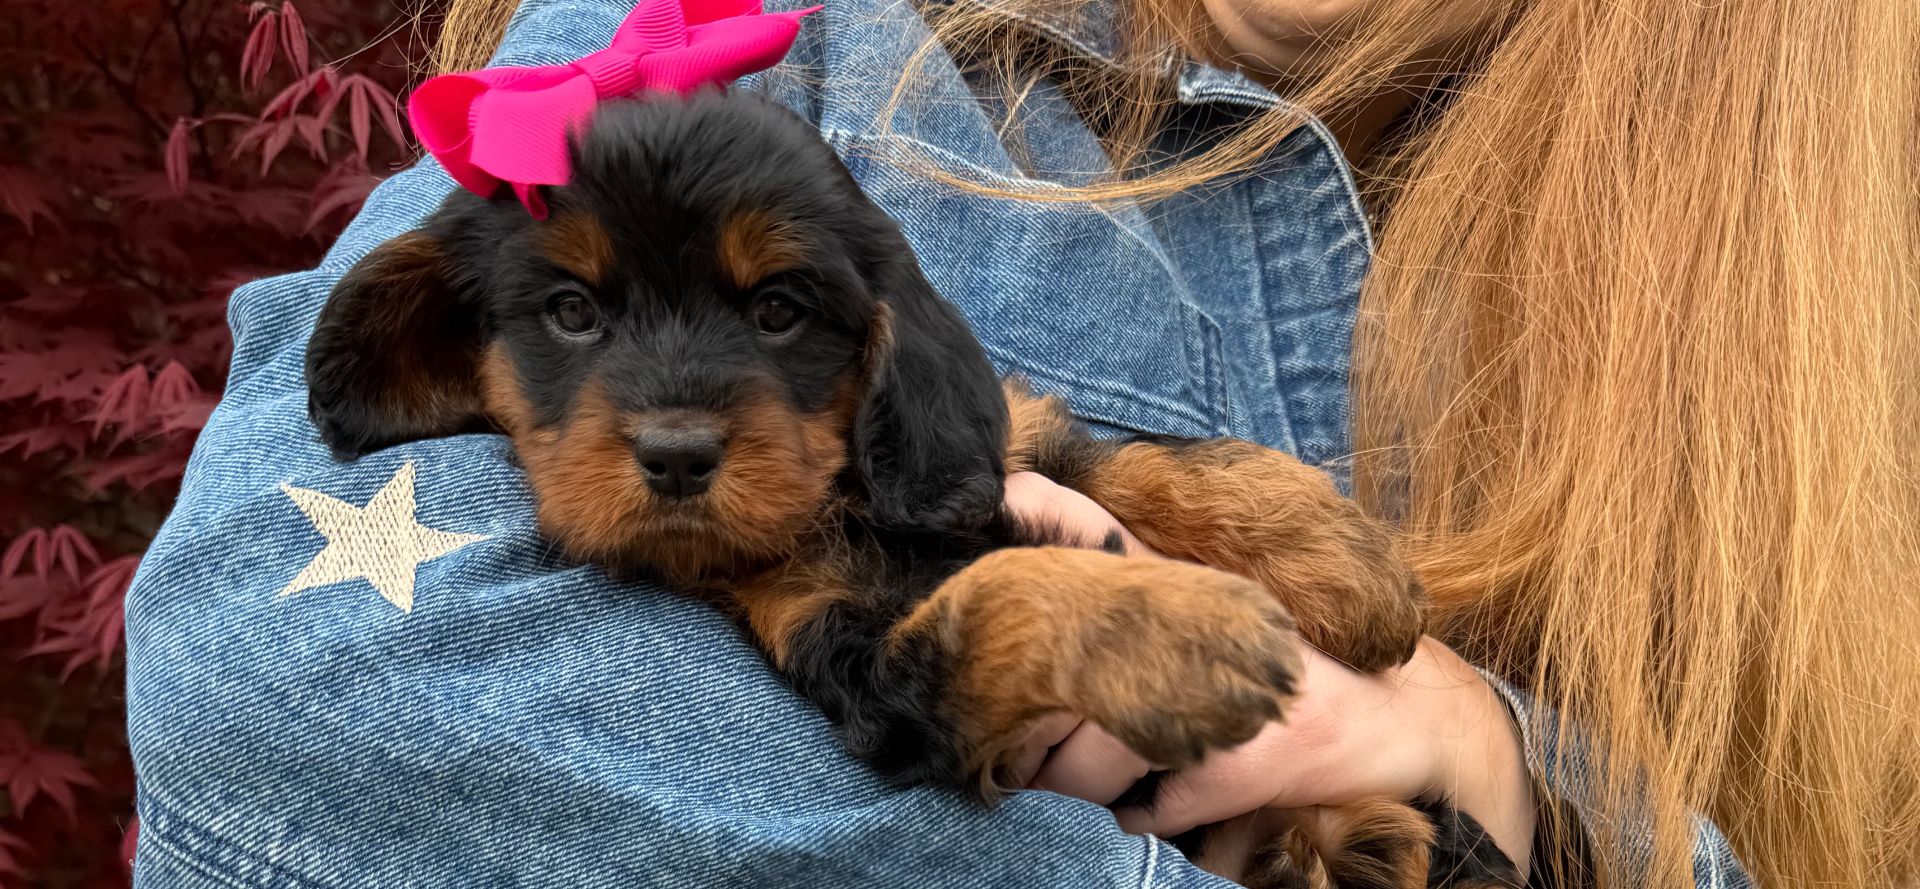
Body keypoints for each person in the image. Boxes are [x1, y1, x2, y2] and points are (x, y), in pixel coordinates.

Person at [122, 0, 1917, 886]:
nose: (670, 406)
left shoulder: (1809, 226)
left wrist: (1514, 768)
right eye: (579, 318)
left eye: (774, 315)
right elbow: (285, 683)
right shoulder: (777, 46)